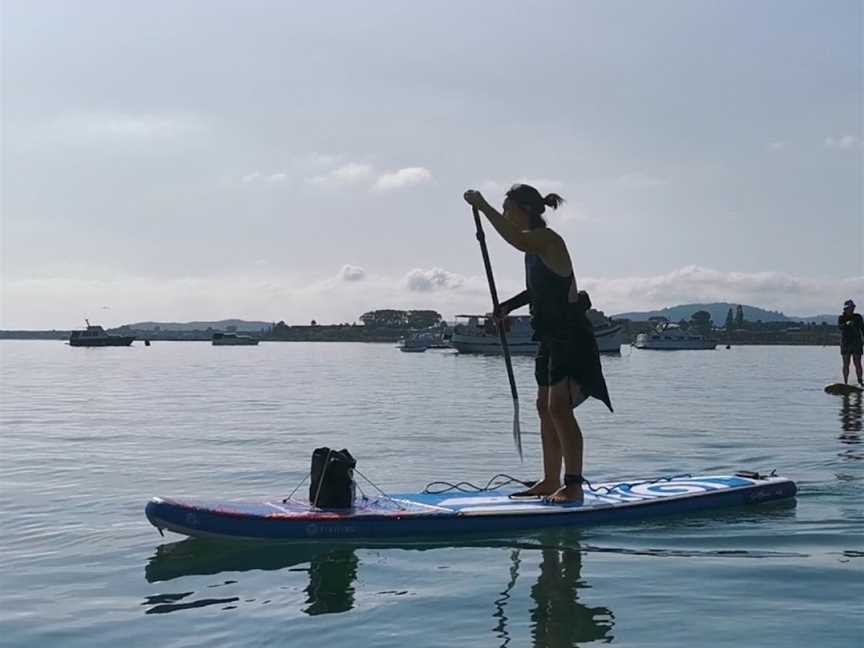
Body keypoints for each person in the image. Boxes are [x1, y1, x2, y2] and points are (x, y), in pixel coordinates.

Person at [464, 184, 612, 503]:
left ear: (525, 210)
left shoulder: (547, 239)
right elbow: (536, 290)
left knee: (559, 408)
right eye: (502, 211)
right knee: (543, 408)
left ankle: (573, 485)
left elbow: (517, 241)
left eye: (507, 209)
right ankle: (549, 480)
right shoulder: (534, 249)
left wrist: (484, 206)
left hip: (571, 333)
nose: (504, 215)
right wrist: (507, 306)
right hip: (548, 334)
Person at [838, 299, 864, 386]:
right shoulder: (841, 318)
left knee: (857, 362)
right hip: (845, 343)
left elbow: (863, 329)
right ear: (845, 309)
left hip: (857, 342)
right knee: (846, 363)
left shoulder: (858, 317)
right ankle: (845, 382)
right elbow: (840, 327)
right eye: (849, 308)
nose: (851, 309)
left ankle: (860, 381)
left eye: (853, 307)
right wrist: (846, 324)